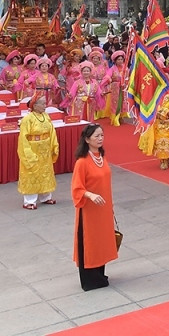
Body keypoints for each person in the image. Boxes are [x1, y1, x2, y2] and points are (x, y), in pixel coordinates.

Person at [71, 124, 117, 291]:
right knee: (89, 241)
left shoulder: (101, 156)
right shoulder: (82, 163)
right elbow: (77, 187)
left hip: (103, 208)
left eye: (102, 136)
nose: (100, 139)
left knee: (101, 240)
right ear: (87, 139)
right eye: (96, 136)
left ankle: (100, 272)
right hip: (89, 209)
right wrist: (90, 195)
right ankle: (90, 279)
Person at [18, 93, 59, 209]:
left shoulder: (46, 116)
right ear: (35, 106)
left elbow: (52, 132)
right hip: (33, 149)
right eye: (43, 103)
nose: (45, 105)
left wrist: (53, 146)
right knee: (32, 173)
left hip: (45, 150)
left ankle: (46, 197)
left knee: (45, 173)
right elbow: (23, 139)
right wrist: (28, 154)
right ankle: (29, 201)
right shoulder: (27, 119)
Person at [137, 90, 169, 169]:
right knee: (161, 141)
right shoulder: (156, 89)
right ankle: (163, 160)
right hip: (160, 120)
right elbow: (151, 103)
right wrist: (163, 112)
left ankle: (168, 157)